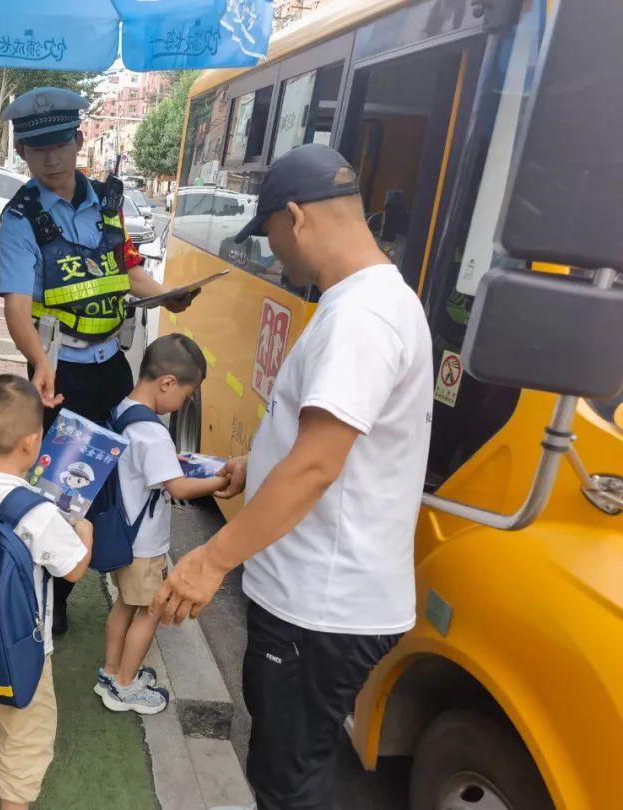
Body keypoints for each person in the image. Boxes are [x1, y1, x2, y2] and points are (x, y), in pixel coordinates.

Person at [152, 144, 434, 810]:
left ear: (297, 218)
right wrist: (259, 464)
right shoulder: (375, 300)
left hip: (320, 608)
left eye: (271, 234)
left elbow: (316, 466)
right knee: (293, 764)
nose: (275, 253)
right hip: (324, 598)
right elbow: (324, 446)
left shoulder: (359, 319)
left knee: (287, 784)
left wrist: (208, 560)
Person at [0, 86, 195, 635]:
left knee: (124, 479)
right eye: (37, 149)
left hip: (115, 368)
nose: (50, 158)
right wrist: (38, 364)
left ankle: (122, 582)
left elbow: (126, 269)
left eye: (59, 144)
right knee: (62, 490)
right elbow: (16, 306)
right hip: (61, 373)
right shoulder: (21, 219)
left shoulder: (110, 202)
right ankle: (52, 600)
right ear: (22, 153)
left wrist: (163, 292)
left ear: (79, 140)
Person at [0, 375, 92, 810]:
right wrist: (83, 529)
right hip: (19, 650)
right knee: (26, 734)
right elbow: (75, 569)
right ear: (34, 443)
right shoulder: (39, 511)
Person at [98, 334, 229, 715]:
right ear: (168, 383)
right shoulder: (154, 433)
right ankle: (124, 685)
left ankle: (111, 671)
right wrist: (221, 482)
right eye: (187, 395)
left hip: (125, 535)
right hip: (144, 545)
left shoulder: (125, 409)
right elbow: (178, 486)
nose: (183, 403)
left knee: (125, 605)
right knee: (151, 610)